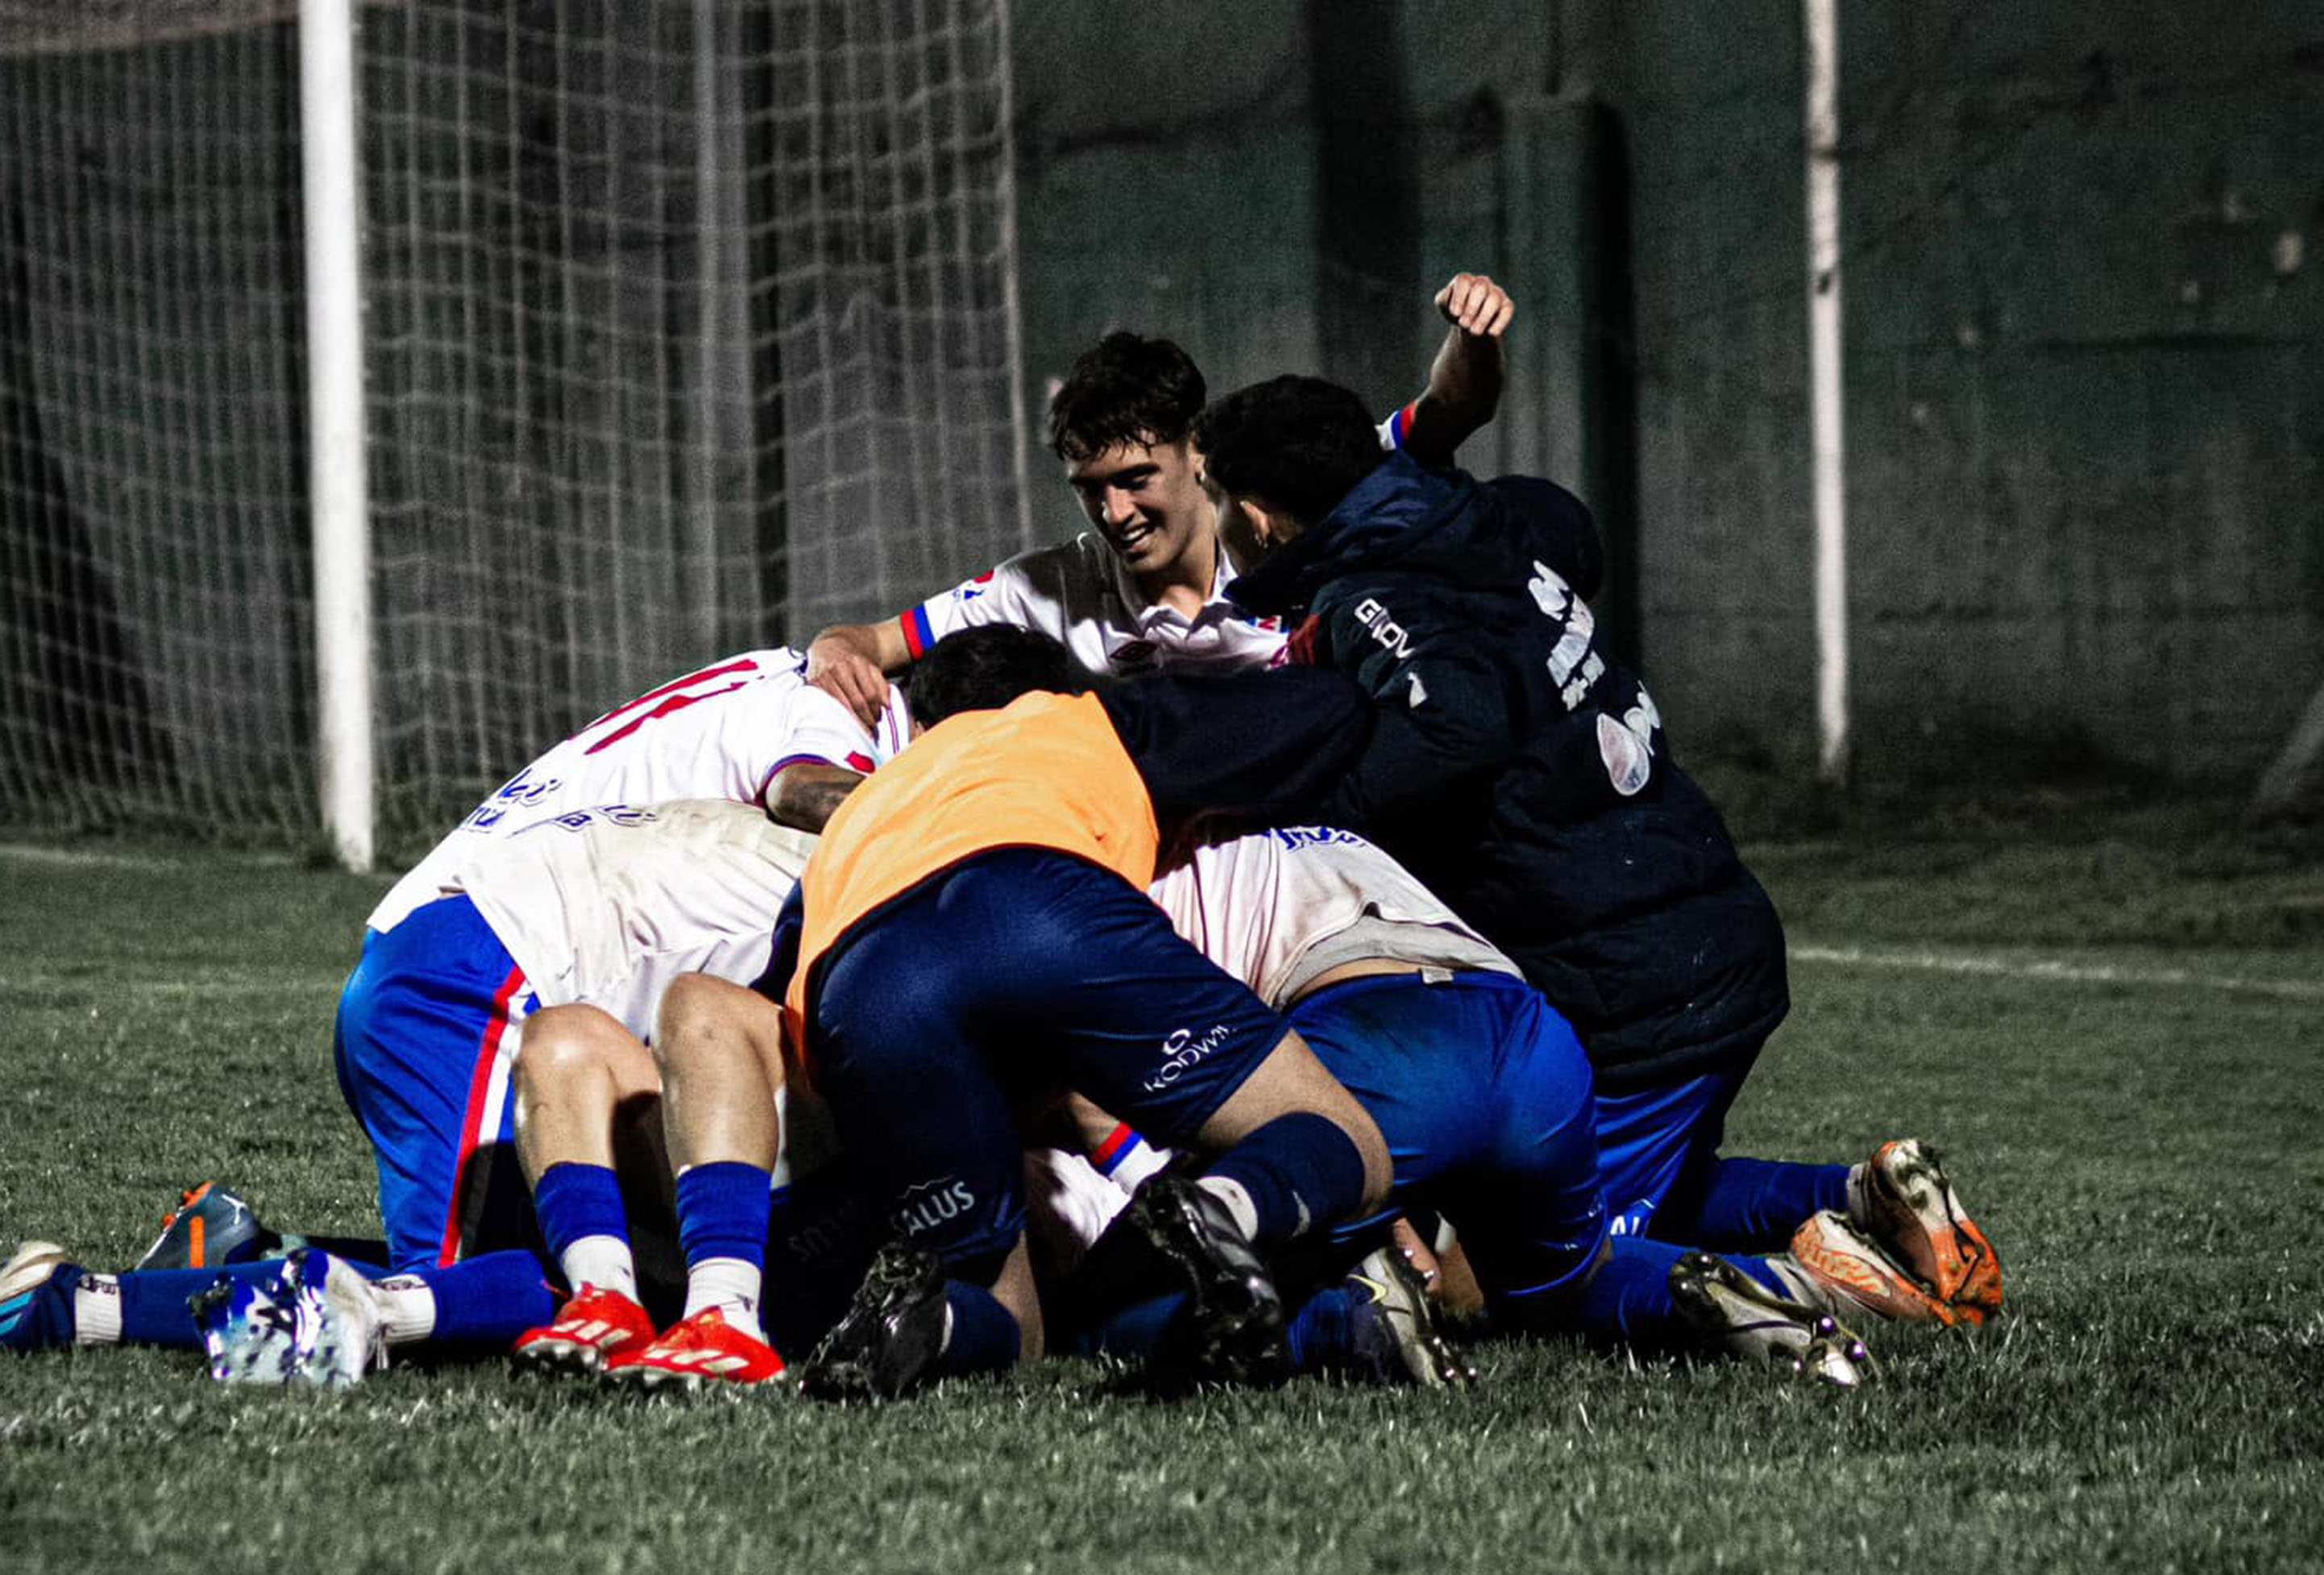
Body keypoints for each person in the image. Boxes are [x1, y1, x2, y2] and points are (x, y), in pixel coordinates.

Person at [1191, 375, 2002, 1328]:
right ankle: (1863, 1196)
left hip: (1633, 987)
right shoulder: (1460, 525)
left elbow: (1454, 728)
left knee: (1513, 1274)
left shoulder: (1379, 591)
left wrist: (1315, 800)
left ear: (1256, 515)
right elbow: (1564, 525)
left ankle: (1833, 1285)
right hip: (1694, 928)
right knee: (1643, 1178)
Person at [769, 625, 1407, 1399]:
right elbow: (1327, 711)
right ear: (1055, 691)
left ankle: (931, 1320)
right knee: (1352, 1144)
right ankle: (1222, 1207)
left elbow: (786, 982)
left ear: (921, 726)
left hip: (861, 983)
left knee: (1012, 1314)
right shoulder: (1078, 720)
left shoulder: (868, 806)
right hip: (1036, 901)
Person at [805, 275, 1514, 726]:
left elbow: (1447, 410)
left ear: (1197, 451)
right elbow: (871, 640)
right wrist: (834, 652)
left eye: (1136, 479)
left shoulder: (1291, 496)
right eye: (1090, 491)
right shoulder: (1048, 585)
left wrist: (1472, 335)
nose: (1115, 515)